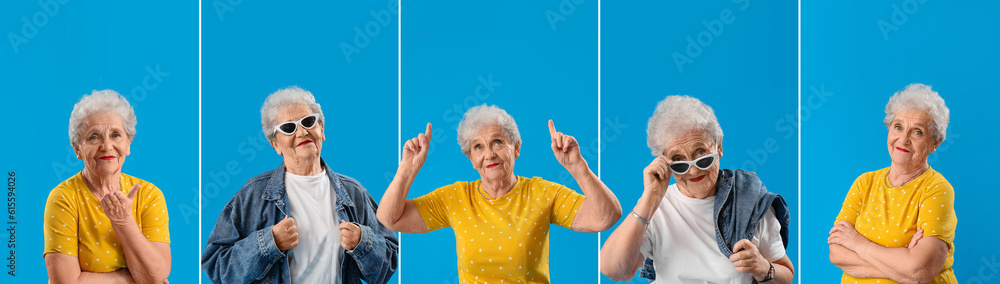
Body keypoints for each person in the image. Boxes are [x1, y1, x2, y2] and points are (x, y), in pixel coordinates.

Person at [377, 104, 622, 283]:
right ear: (471, 159)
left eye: (497, 142)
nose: (489, 154)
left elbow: (606, 217)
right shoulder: (456, 198)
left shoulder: (542, 192)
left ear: (516, 148)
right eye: (478, 147)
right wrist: (407, 170)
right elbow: (390, 218)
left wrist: (578, 167)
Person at [202, 87, 398, 283]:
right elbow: (217, 266)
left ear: (321, 130)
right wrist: (269, 244)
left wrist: (362, 243)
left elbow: (388, 263)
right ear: (275, 144)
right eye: (288, 127)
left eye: (308, 121)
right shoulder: (252, 195)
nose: (302, 132)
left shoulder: (354, 193)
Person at [600, 95, 794, 283]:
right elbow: (615, 271)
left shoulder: (751, 202)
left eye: (701, 155)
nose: (693, 170)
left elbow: (787, 274)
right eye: (678, 161)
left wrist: (764, 269)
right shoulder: (654, 207)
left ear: (718, 148)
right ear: (664, 162)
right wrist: (649, 198)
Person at [828, 83, 957, 283]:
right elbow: (836, 252)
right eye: (898, 127)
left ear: (935, 143)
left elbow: (920, 269)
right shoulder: (864, 182)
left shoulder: (937, 189)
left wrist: (858, 244)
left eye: (917, 132)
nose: (903, 139)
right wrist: (903, 264)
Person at [44, 90, 171, 283]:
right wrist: (127, 279)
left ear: (128, 144)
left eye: (116, 135)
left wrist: (124, 221)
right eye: (94, 137)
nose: (106, 146)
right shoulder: (63, 198)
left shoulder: (149, 195)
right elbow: (65, 282)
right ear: (77, 148)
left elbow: (157, 275)